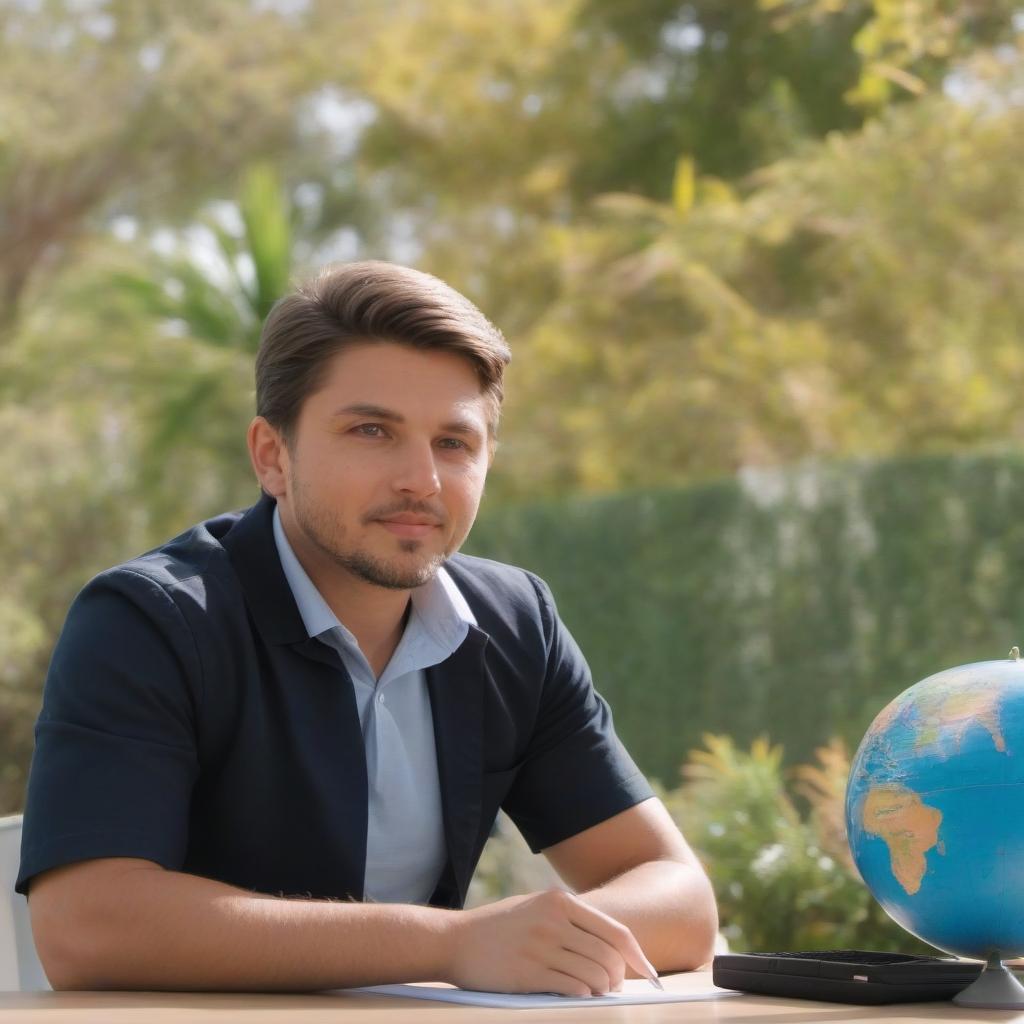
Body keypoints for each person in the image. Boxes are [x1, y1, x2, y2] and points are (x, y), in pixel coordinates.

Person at [17, 261, 718, 994]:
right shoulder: (149, 620)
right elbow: (86, 925)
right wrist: (453, 944)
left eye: (455, 442)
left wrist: (545, 940)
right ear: (272, 456)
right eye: (372, 430)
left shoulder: (514, 627)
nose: (423, 479)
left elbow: (679, 897)